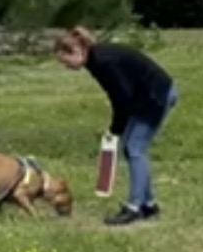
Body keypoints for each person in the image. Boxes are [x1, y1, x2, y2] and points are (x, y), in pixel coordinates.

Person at [53, 27, 178, 227]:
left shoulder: (103, 61)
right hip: (144, 97)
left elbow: (122, 97)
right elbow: (119, 95)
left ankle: (135, 208)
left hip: (157, 96)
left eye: (65, 62)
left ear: (76, 51)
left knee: (134, 148)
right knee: (133, 148)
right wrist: (116, 130)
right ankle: (149, 204)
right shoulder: (95, 59)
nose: (66, 67)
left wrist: (115, 129)